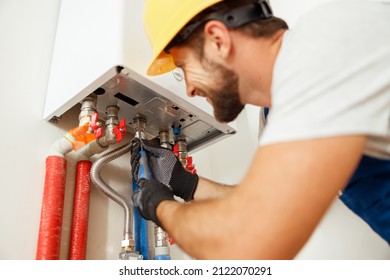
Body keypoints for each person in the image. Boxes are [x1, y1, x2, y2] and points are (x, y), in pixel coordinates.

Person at [130, 0, 390, 259]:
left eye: (183, 67)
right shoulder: (279, 114)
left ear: (218, 39)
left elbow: (246, 242)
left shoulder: (324, 47)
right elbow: (268, 206)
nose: (189, 89)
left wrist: (159, 207)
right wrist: (184, 183)